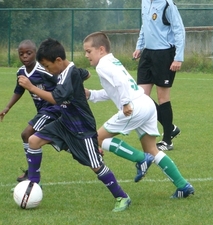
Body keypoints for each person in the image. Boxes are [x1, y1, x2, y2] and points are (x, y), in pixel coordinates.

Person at [18, 38, 131, 212]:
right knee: (33, 140)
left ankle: (122, 196)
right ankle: (33, 184)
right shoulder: (67, 70)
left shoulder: (68, 74)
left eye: (48, 66)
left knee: (95, 165)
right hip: (64, 122)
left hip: (82, 129)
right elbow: (85, 73)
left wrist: (32, 87)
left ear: (58, 60)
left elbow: (56, 98)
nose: (47, 70)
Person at [83, 31, 194, 198]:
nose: (86, 55)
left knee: (96, 138)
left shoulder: (103, 65)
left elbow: (120, 83)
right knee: (152, 149)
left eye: (88, 51)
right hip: (145, 103)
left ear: (101, 49)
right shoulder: (112, 61)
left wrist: (126, 103)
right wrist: (90, 94)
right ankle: (182, 185)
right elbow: (113, 90)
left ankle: (140, 159)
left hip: (134, 106)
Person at [0, 40, 61, 183]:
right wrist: (7, 108)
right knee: (35, 138)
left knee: (27, 134)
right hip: (42, 111)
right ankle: (62, 142)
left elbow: (61, 83)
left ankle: (32, 174)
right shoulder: (21, 72)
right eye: (21, 54)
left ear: (36, 53)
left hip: (53, 109)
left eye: (28, 53)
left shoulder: (43, 71)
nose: (25, 57)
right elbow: (18, 91)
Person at [132, 0, 185, 151]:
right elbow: (145, 25)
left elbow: (179, 29)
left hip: (164, 54)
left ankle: (167, 140)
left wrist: (178, 57)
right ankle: (171, 127)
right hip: (148, 53)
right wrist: (139, 46)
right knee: (141, 97)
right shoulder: (144, 2)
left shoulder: (168, 4)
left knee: (162, 98)